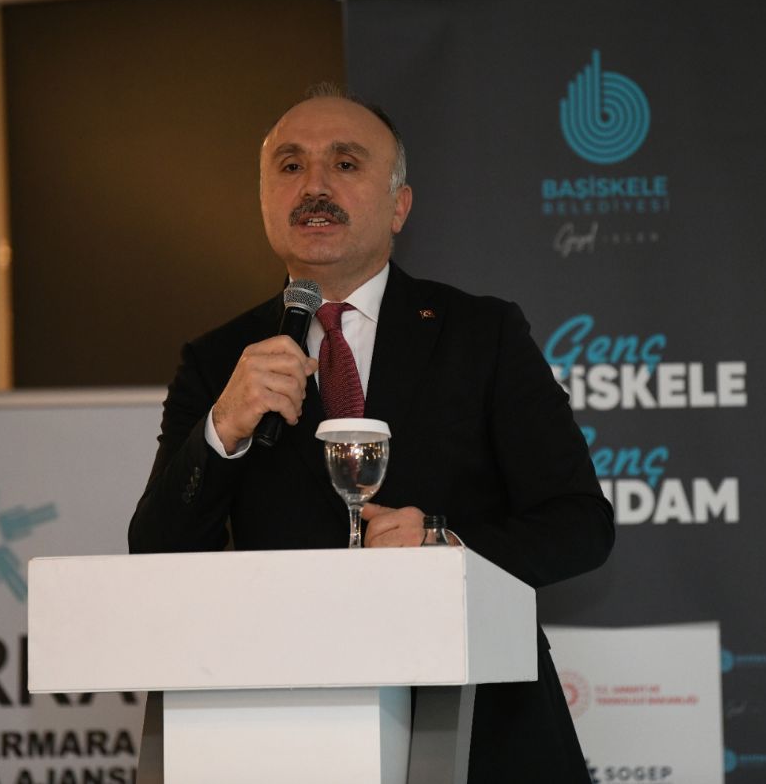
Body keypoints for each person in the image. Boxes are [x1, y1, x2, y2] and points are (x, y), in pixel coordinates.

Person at [129, 84, 614, 783]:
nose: (314, 186)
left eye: (345, 163)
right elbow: (156, 551)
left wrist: (444, 543)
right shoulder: (218, 362)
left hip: (478, 729)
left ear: (399, 206)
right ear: (263, 200)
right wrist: (223, 428)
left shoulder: (481, 334)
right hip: (283, 732)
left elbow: (580, 523)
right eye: (290, 166)